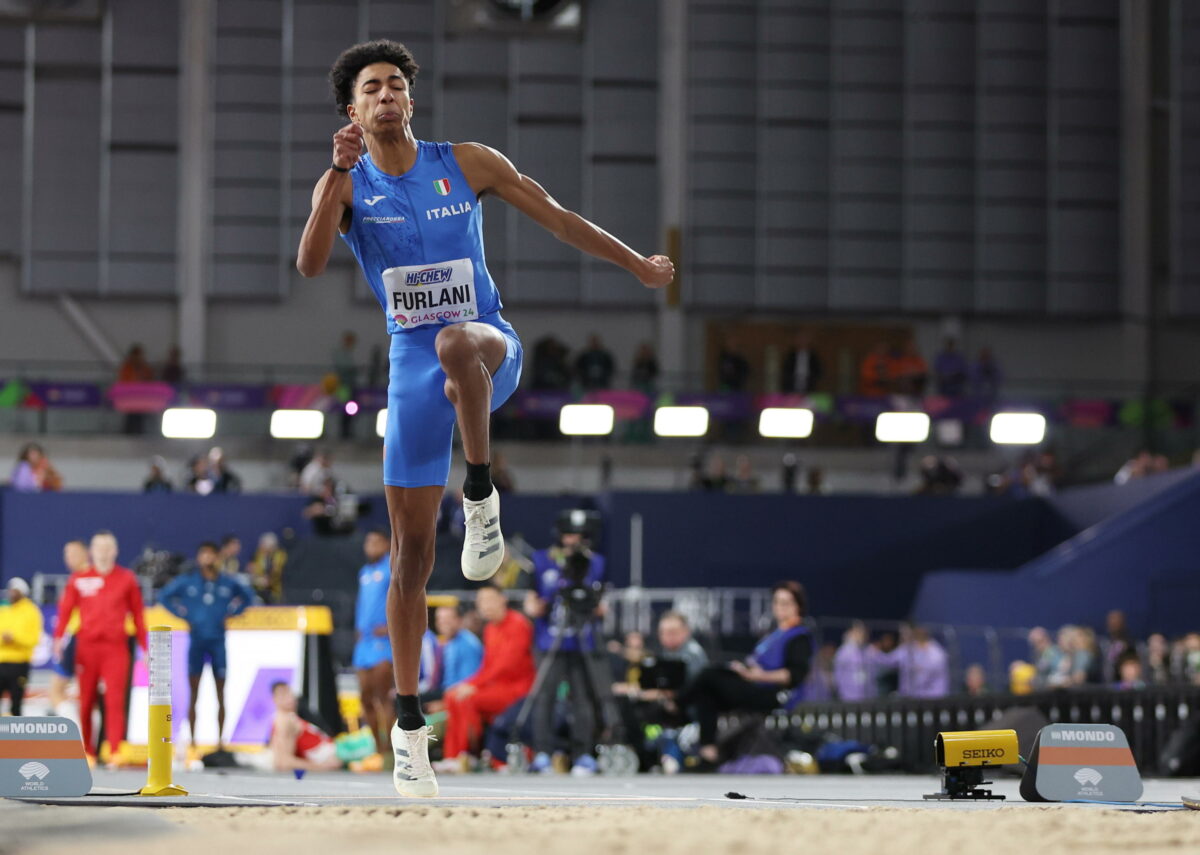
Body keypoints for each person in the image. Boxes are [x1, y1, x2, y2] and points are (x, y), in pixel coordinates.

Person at [295, 39, 673, 797]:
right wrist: (336, 174)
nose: (387, 95)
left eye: (396, 84)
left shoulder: (465, 161)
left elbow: (560, 219)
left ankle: (480, 492)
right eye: (371, 88)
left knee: (454, 338)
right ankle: (409, 726)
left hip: (489, 348)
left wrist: (638, 264)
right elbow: (307, 265)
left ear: (411, 99)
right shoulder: (343, 184)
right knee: (409, 559)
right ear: (352, 110)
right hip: (412, 378)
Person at [675, 581, 811, 770]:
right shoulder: (774, 635)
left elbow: (794, 675)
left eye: (786, 603)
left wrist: (758, 675)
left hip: (774, 694)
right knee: (706, 693)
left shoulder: (798, 636)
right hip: (754, 685)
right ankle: (709, 754)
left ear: (798, 606)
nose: (780, 607)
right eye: (777, 602)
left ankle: (675, 705)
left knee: (708, 675)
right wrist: (744, 669)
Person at [52, 531, 148, 763]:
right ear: (91, 552)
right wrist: (58, 640)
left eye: (108, 548)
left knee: (115, 699)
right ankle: (88, 751)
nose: (104, 553)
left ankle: (114, 749)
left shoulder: (127, 578)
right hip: (87, 647)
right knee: (86, 700)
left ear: (115, 551)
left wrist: (145, 649)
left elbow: (138, 615)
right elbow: (65, 611)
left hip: (116, 648)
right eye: (99, 548)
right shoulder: (79, 579)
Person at [524, 516, 607, 775]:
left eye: (580, 536)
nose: (575, 541)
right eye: (570, 535)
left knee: (583, 698)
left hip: (583, 640)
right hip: (550, 640)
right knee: (545, 697)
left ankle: (583, 755)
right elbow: (531, 602)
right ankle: (543, 754)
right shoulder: (541, 561)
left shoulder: (595, 563)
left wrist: (592, 605)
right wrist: (541, 603)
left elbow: (602, 603)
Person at [158, 542, 255, 753]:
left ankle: (221, 743)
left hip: (218, 641)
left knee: (221, 692)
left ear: (217, 557)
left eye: (212, 554)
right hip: (197, 641)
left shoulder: (227, 583)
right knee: (194, 692)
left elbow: (249, 596)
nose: (208, 558)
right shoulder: (189, 582)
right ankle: (192, 742)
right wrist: (184, 615)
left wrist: (233, 612)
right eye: (204, 554)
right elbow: (164, 596)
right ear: (199, 556)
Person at [440, 585, 534, 771]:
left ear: (502, 600)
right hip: (496, 686)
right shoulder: (490, 629)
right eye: (481, 601)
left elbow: (507, 665)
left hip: (517, 688)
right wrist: (468, 684)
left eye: (489, 599)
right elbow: (488, 666)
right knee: (452, 695)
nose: (485, 605)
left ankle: (467, 753)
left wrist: (474, 686)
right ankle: (453, 756)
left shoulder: (518, 624)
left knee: (466, 699)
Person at [352, 528, 394, 758]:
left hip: (381, 642)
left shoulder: (390, 568)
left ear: (386, 544)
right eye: (368, 542)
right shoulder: (364, 572)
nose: (371, 546)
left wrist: (390, 627)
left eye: (376, 542)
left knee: (382, 696)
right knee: (365, 698)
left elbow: (405, 598)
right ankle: (376, 748)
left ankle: (388, 751)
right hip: (363, 643)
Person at [47, 539, 89, 715]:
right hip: (82, 639)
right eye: (66, 554)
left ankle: (76, 732)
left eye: (72, 553)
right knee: (82, 693)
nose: (68, 558)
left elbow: (65, 613)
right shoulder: (78, 579)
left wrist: (58, 639)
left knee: (57, 690)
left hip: (81, 639)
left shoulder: (80, 580)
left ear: (85, 553)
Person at [268, 682, 341, 772]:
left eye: (290, 694)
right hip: (338, 753)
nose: (290, 699)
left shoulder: (285, 718)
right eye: (284, 695)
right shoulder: (285, 720)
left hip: (337, 749)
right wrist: (320, 766)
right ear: (275, 699)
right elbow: (283, 762)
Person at [0, 578, 43, 716]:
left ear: (22, 592)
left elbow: (34, 639)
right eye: (10, 590)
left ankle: (15, 737)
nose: (11, 593)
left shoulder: (31, 612)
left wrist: (15, 639)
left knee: (16, 703)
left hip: (19, 663)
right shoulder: (4, 610)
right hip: (1, 662)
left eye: (15, 591)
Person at [247, 532, 288, 605]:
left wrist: (266, 580)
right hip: (259, 589)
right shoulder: (259, 553)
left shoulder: (280, 555)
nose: (260, 547)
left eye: (263, 545)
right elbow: (254, 569)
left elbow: (276, 573)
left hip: (274, 591)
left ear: (271, 547)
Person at [781, 330, 822, 394]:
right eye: (800, 339)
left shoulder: (813, 356)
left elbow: (819, 371)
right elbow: (785, 370)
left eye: (805, 340)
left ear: (809, 341)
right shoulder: (790, 355)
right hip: (791, 387)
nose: (802, 342)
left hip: (810, 387)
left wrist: (811, 378)